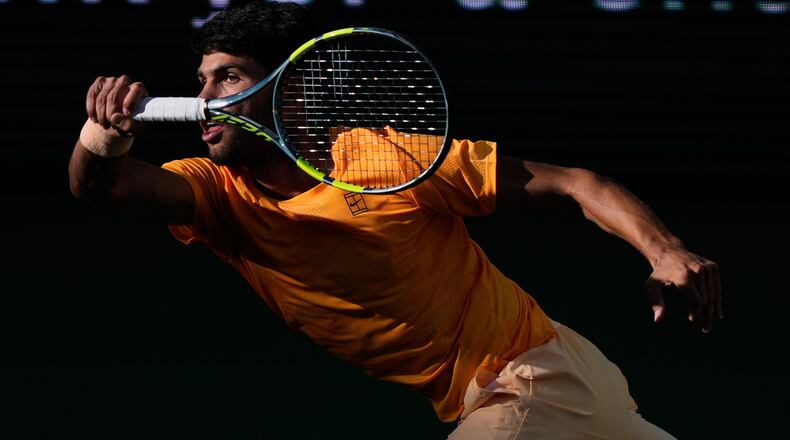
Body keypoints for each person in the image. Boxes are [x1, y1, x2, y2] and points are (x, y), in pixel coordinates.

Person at [68, 2, 721, 438]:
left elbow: (577, 184)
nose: (203, 101)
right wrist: (103, 137)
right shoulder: (215, 194)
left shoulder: (383, 158)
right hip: (548, 395)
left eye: (227, 78)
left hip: (531, 380)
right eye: (201, 81)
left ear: (291, 91)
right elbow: (106, 186)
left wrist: (663, 250)